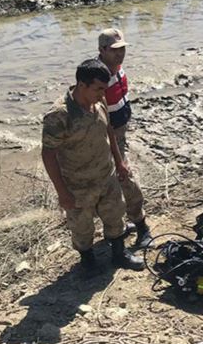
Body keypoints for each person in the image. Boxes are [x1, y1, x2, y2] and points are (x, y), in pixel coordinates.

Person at [42, 59, 144, 272]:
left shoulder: (100, 101)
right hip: (77, 184)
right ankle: (87, 261)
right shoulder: (59, 115)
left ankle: (119, 255)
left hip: (106, 176)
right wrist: (62, 192)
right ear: (81, 85)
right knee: (82, 228)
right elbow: (48, 155)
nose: (102, 94)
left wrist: (120, 162)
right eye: (98, 89)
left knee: (115, 216)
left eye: (104, 89)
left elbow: (109, 132)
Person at [97, 28, 152, 248]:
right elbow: (103, 119)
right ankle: (141, 226)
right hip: (108, 137)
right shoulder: (99, 76)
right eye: (114, 50)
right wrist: (118, 157)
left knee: (117, 180)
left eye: (123, 49)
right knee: (125, 177)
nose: (120, 54)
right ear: (102, 50)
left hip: (121, 130)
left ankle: (121, 225)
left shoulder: (116, 67)